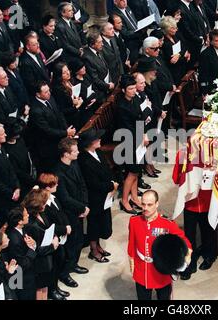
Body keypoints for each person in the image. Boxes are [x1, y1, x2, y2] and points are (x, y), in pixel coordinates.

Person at [128, 190, 192, 300]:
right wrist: (132, 261)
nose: (145, 208)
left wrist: (186, 256)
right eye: (143, 204)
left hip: (161, 271)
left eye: (149, 204)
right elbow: (131, 243)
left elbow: (183, 240)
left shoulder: (167, 223)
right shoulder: (134, 221)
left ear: (157, 204)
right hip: (141, 270)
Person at [78, 129, 119, 263]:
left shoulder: (99, 152)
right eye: (97, 138)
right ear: (90, 143)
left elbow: (107, 169)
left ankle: (98, 246)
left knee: (103, 223)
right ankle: (93, 250)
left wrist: (113, 181)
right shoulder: (84, 160)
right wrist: (111, 186)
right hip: (94, 198)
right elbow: (92, 183)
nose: (100, 139)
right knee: (94, 225)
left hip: (104, 196)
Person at [54, 137, 89, 288]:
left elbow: (82, 184)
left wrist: (85, 205)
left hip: (79, 209)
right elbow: (65, 198)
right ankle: (64, 273)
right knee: (70, 244)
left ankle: (73, 264)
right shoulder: (58, 173)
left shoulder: (74, 164)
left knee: (79, 240)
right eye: (75, 151)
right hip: (68, 213)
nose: (78, 152)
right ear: (66, 154)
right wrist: (81, 208)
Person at [37, 173, 71, 300]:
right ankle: (52, 290)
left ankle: (55, 287)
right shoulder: (42, 204)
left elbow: (61, 214)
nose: (57, 185)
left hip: (61, 236)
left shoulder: (54, 198)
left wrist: (67, 225)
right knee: (53, 265)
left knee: (60, 260)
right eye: (54, 184)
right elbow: (48, 224)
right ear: (46, 187)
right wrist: (63, 229)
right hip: (52, 238)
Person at [28, 81, 75, 172]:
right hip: (48, 146)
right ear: (38, 94)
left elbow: (59, 114)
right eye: (45, 92)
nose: (49, 93)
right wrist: (65, 133)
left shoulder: (50, 98)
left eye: (48, 90)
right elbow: (46, 130)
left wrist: (66, 131)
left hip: (59, 138)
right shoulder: (36, 110)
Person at [22, 188, 59, 300]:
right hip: (39, 262)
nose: (45, 204)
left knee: (45, 286)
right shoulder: (30, 224)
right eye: (43, 203)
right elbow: (35, 248)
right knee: (40, 288)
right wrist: (53, 245)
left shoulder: (42, 214)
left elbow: (48, 228)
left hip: (47, 259)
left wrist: (55, 237)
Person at [116, 74, 145, 215]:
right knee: (132, 171)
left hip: (137, 138)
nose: (134, 91)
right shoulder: (121, 107)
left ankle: (134, 197)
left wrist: (143, 135)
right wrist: (141, 138)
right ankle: (124, 200)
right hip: (127, 141)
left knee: (137, 171)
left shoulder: (135, 99)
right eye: (130, 88)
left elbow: (140, 118)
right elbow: (127, 129)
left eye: (134, 88)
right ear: (123, 90)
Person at [6, 206, 37, 300]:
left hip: (27, 276)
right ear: (19, 221)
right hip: (21, 279)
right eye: (26, 214)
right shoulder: (14, 239)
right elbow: (22, 264)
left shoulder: (23, 229)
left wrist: (34, 244)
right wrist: (32, 249)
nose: (28, 215)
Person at [4, 117, 37, 197]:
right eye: (16, 134)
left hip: (30, 169)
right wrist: (29, 178)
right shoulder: (7, 149)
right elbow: (15, 170)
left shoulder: (20, 140)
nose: (18, 135)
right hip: (23, 180)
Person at [82, 30, 114, 103]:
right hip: (100, 93)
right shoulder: (87, 58)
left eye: (102, 41)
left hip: (107, 85)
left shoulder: (98, 50)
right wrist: (108, 86)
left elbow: (106, 67)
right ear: (92, 45)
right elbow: (95, 79)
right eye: (99, 42)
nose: (102, 44)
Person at [51, 62, 84, 130]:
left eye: (68, 70)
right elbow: (62, 110)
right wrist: (76, 106)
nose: (68, 73)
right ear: (59, 75)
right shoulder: (57, 89)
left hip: (78, 114)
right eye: (64, 73)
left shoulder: (70, 81)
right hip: (70, 120)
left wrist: (78, 99)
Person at [160, 15, 190, 85]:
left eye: (175, 27)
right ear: (166, 30)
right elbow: (173, 61)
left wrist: (179, 54)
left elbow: (184, 46)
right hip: (175, 73)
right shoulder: (165, 43)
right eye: (173, 28)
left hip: (184, 68)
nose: (176, 30)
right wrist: (184, 55)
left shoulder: (176, 35)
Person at [100, 21, 124, 86]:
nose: (113, 31)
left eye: (113, 28)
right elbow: (104, 64)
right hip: (111, 77)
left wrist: (121, 73)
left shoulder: (113, 38)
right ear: (103, 32)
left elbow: (118, 57)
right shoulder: (100, 44)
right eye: (110, 29)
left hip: (119, 74)